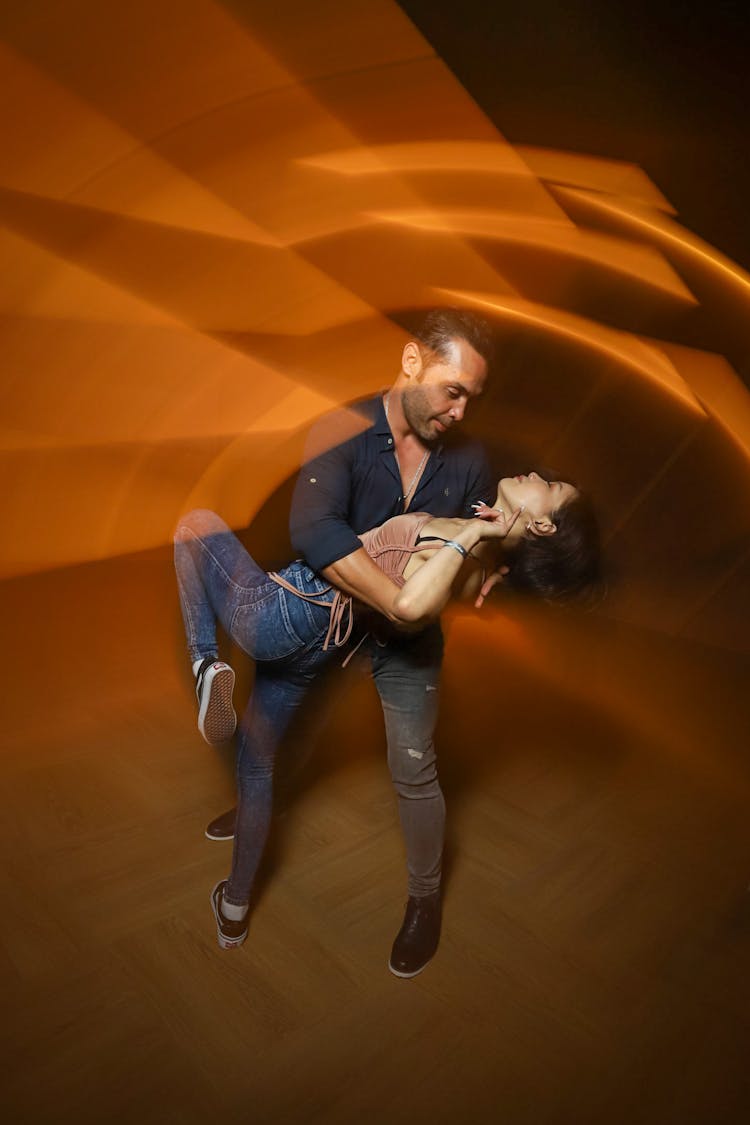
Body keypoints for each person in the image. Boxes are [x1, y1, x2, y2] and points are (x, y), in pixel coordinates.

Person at [175, 472, 600, 968]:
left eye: (550, 487)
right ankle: (234, 907)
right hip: (324, 640)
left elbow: (407, 605)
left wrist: (469, 536)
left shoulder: (462, 545)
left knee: (195, 525)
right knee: (258, 761)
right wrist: (492, 551)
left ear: (544, 527)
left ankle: (206, 662)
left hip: (289, 611)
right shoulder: (478, 545)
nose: (538, 475)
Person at [198, 307, 499, 979]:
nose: (458, 409)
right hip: (332, 616)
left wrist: (479, 563)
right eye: (452, 388)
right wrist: (395, 594)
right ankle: (258, 802)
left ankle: (425, 901)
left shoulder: (471, 459)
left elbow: (465, 556)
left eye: (470, 399)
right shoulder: (342, 429)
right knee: (286, 727)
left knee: (414, 765)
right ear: (413, 360)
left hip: (408, 641)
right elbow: (316, 530)